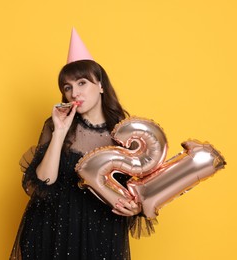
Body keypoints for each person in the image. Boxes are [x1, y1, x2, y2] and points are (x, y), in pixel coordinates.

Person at [10, 29, 145, 260]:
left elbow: (136, 191)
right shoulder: (56, 126)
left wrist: (137, 208)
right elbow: (43, 183)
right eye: (67, 87)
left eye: (82, 83)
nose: (74, 93)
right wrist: (60, 133)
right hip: (52, 229)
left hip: (101, 232)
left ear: (101, 85)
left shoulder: (126, 134)